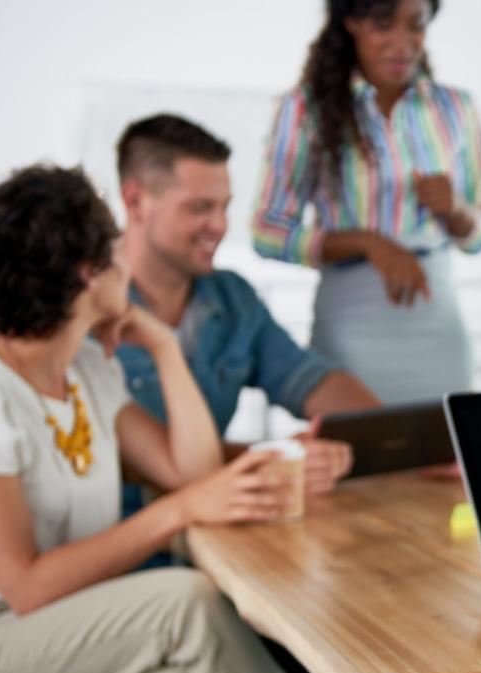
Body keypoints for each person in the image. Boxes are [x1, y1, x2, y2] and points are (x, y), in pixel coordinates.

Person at [0, 165, 286, 673]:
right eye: (115, 247)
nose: (127, 259)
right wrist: (179, 510)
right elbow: (26, 588)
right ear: (87, 271)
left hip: (82, 620)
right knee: (188, 604)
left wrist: (166, 349)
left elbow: (191, 472)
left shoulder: (89, 374)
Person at [116, 114, 380, 498]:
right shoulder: (85, 308)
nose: (220, 225)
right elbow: (125, 457)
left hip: (218, 530)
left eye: (224, 207)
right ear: (135, 200)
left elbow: (309, 378)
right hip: (127, 542)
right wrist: (277, 460)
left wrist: (400, 436)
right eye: (199, 208)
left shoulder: (233, 299)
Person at [253, 0, 481, 404]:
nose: (402, 44)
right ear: (351, 23)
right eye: (383, 25)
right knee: (356, 453)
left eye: (416, 26)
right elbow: (268, 232)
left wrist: (457, 210)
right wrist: (368, 243)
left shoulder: (456, 108)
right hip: (351, 323)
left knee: (446, 458)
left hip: (437, 323)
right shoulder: (304, 108)